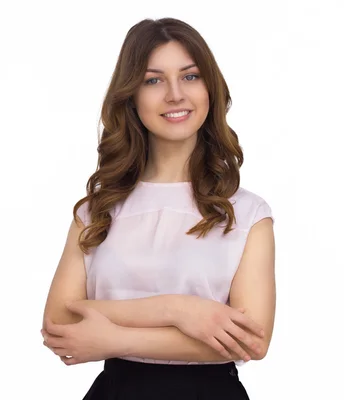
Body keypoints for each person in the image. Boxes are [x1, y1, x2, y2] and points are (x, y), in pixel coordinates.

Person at [41, 17, 276, 400]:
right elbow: (59, 322)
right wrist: (178, 310)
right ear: (130, 96)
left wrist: (115, 337)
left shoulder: (247, 214)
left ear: (210, 90)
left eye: (190, 76)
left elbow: (251, 342)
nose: (174, 94)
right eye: (153, 80)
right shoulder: (96, 211)